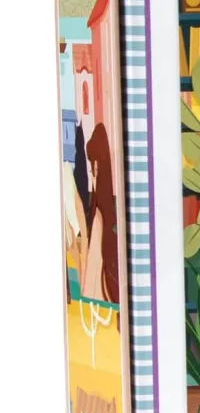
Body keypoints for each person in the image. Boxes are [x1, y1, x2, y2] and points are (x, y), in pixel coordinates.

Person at [82, 123, 120, 305]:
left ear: (96, 167)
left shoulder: (98, 218)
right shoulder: (108, 216)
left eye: (91, 169)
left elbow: (91, 285)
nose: (90, 174)